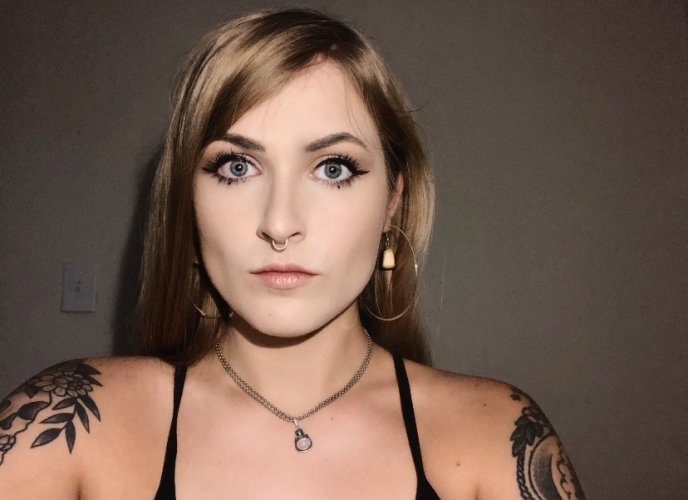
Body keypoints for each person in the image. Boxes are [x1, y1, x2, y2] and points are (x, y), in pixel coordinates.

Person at [0, 8, 584, 499]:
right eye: (237, 167)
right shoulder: (71, 426)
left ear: (393, 201)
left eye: (333, 169)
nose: (279, 224)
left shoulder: (494, 437)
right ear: (187, 199)